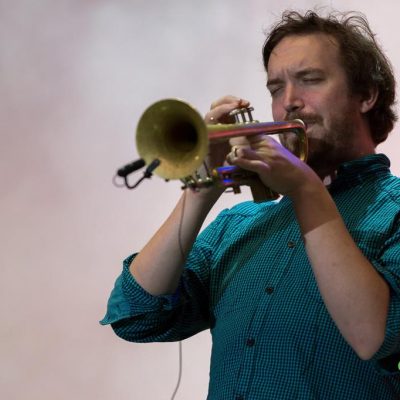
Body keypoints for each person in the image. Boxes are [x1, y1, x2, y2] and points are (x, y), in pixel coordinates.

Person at [101, 10, 400, 399]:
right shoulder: (238, 224)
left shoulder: (394, 211)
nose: (289, 102)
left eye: (310, 80)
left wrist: (305, 190)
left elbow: (374, 337)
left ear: (367, 95)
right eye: (276, 88)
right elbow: (136, 314)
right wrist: (203, 186)